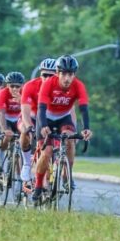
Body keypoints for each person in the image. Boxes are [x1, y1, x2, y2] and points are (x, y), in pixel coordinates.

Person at [32, 55, 92, 202]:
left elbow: (84, 109)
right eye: (63, 74)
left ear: (74, 75)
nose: (67, 78)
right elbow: (41, 108)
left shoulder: (78, 86)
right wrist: (44, 126)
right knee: (47, 152)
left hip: (63, 117)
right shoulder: (49, 84)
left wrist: (86, 128)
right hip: (46, 116)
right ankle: (39, 184)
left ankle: (67, 174)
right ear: (57, 73)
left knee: (70, 139)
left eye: (70, 74)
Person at [18, 58, 57, 189]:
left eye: (51, 75)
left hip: (49, 119)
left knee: (50, 149)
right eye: (44, 75)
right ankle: (26, 163)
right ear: (40, 75)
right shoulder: (30, 86)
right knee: (24, 130)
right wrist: (29, 126)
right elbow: (25, 111)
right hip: (31, 117)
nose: (47, 78)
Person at [0, 72, 25, 151]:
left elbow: (30, 110)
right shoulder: (3, 93)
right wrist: (5, 130)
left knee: (25, 135)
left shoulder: (25, 92)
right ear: (7, 85)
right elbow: (0, 112)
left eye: (17, 86)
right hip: (6, 118)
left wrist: (21, 100)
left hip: (19, 118)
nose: (14, 89)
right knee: (7, 136)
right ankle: (0, 156)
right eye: (12, 86)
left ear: (22, 86)